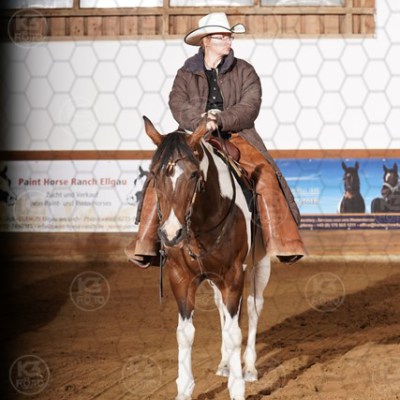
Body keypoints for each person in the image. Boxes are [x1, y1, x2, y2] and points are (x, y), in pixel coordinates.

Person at [125, 12, 306, 268]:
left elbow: (250, 106)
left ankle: (283, 242)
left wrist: (219, 120)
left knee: (265, 175)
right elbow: (177, 102)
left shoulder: (244, 70)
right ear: (206, 41)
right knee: (161, 176)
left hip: (236, 134)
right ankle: (146, 244)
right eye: (222, 36)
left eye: (229, 36)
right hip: (192, 134)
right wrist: (199, 122)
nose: (228, 40)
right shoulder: (185, 73)